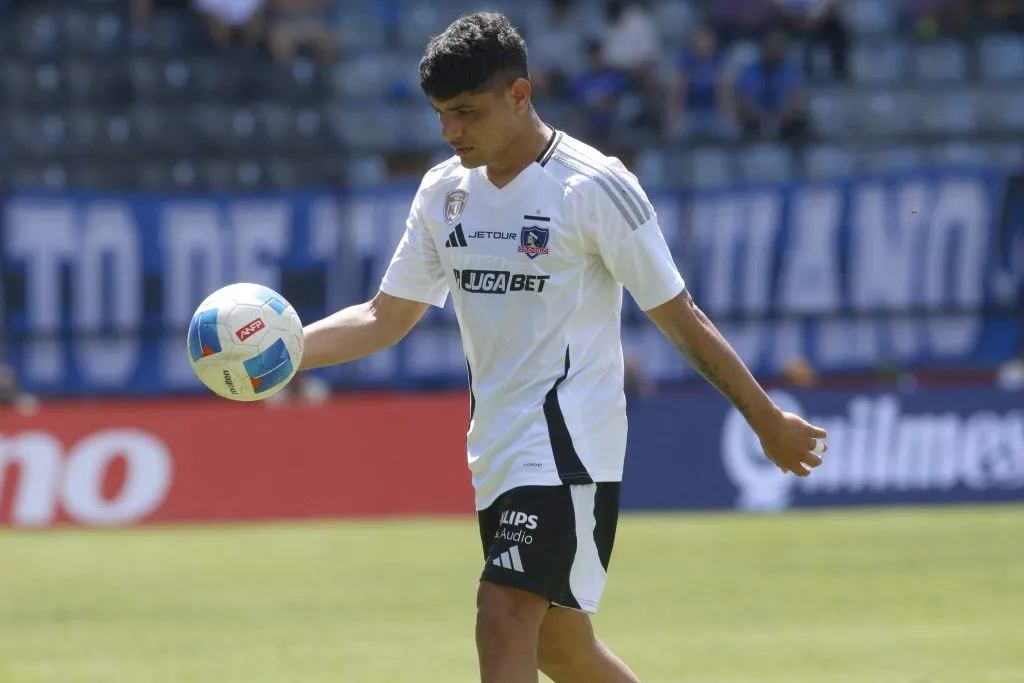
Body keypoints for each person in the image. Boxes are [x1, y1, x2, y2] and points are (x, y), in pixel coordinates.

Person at [299, 12, 828, 683]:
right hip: (497, 448)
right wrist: (288, 351)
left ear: (519, 95)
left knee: (503, 615)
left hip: (570, 443)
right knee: (563, 650)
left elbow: (682, 317)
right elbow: (384, 316)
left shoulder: (594, 187)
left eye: (466, 111)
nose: (450, 132)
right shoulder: (444, 193)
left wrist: (766, 419)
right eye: (440, 114)